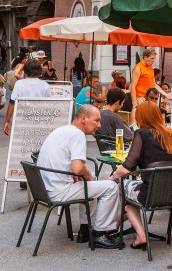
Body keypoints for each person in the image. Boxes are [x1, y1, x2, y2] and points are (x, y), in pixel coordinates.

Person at [36, 105, 122, 249]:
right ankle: (100, 234)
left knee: (91, 180)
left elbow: (69, 164)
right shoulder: (78, 135)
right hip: (58, 192)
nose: (99, 125)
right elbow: (77, 168)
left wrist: (84, 176)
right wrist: (86, 176)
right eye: (96, 120)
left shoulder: (62, 130)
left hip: (45, 189)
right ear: (84, 119)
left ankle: (85, 229)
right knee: (111, 187)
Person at [108, 101, 172, 250]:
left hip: (151, 194)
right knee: (132, 195)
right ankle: (113, 225)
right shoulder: (171, 133)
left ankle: (141, 234)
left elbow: (127, 168)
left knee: (125, 194)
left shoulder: (142, 134)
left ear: (141, 117)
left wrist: (113, 177)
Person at [3, 58, 51, 136]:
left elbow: (12, 103)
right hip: (40, 120)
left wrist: (7, 122)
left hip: (22, 119)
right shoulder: (45, 85)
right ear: (40, 71)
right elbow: (49, 104)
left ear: (25, 70)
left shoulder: (19, 84)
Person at [130, 48, 167, 117]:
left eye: (154, 58)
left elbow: (154, 84)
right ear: (145, 57)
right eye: (152, 58)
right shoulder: (138, 68)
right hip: (141, 98)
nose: (153, 60)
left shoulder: (150, 67)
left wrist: (165, 94)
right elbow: (132, 86)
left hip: (150, 98)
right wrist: (135, 103)